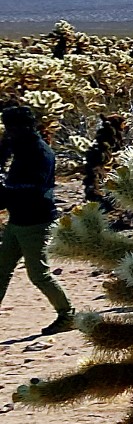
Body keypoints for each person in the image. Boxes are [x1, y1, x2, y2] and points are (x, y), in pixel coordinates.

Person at [0, 102, 76, 330]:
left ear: (24, 127)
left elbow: (35, 189)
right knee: (1, 270)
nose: (9, 133)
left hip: (37, 221)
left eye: (11, 128)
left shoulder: (41, 152)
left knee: (38, 274)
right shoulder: (19, 146)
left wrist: (5, 190)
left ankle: (67, 315)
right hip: (17, 221)